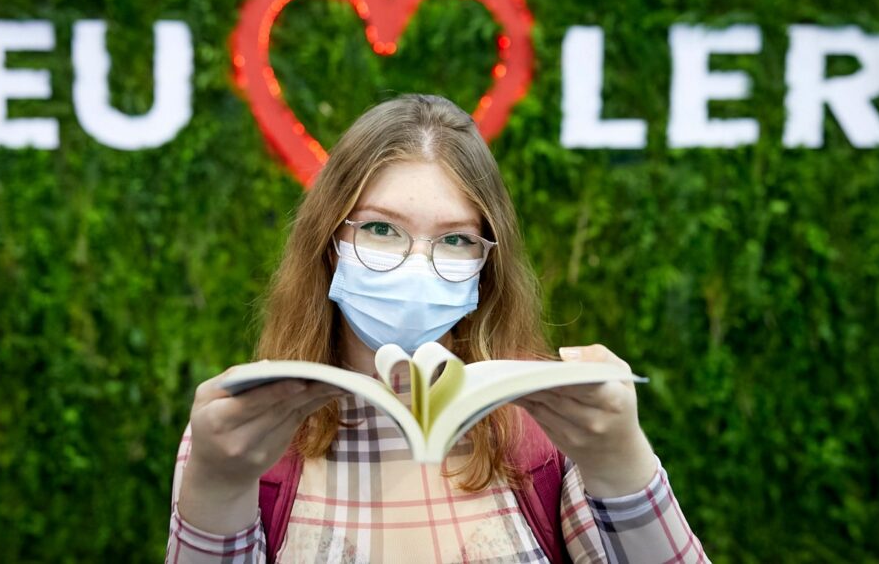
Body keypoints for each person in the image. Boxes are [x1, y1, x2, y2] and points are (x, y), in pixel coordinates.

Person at [165, 94, 709, 563]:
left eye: (455, 240)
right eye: (380, 229)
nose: (416, 264)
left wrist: (621, 461)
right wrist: (218, 482)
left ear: (485, 261)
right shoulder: (241, 431)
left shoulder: (548, 424)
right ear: (328, 242)